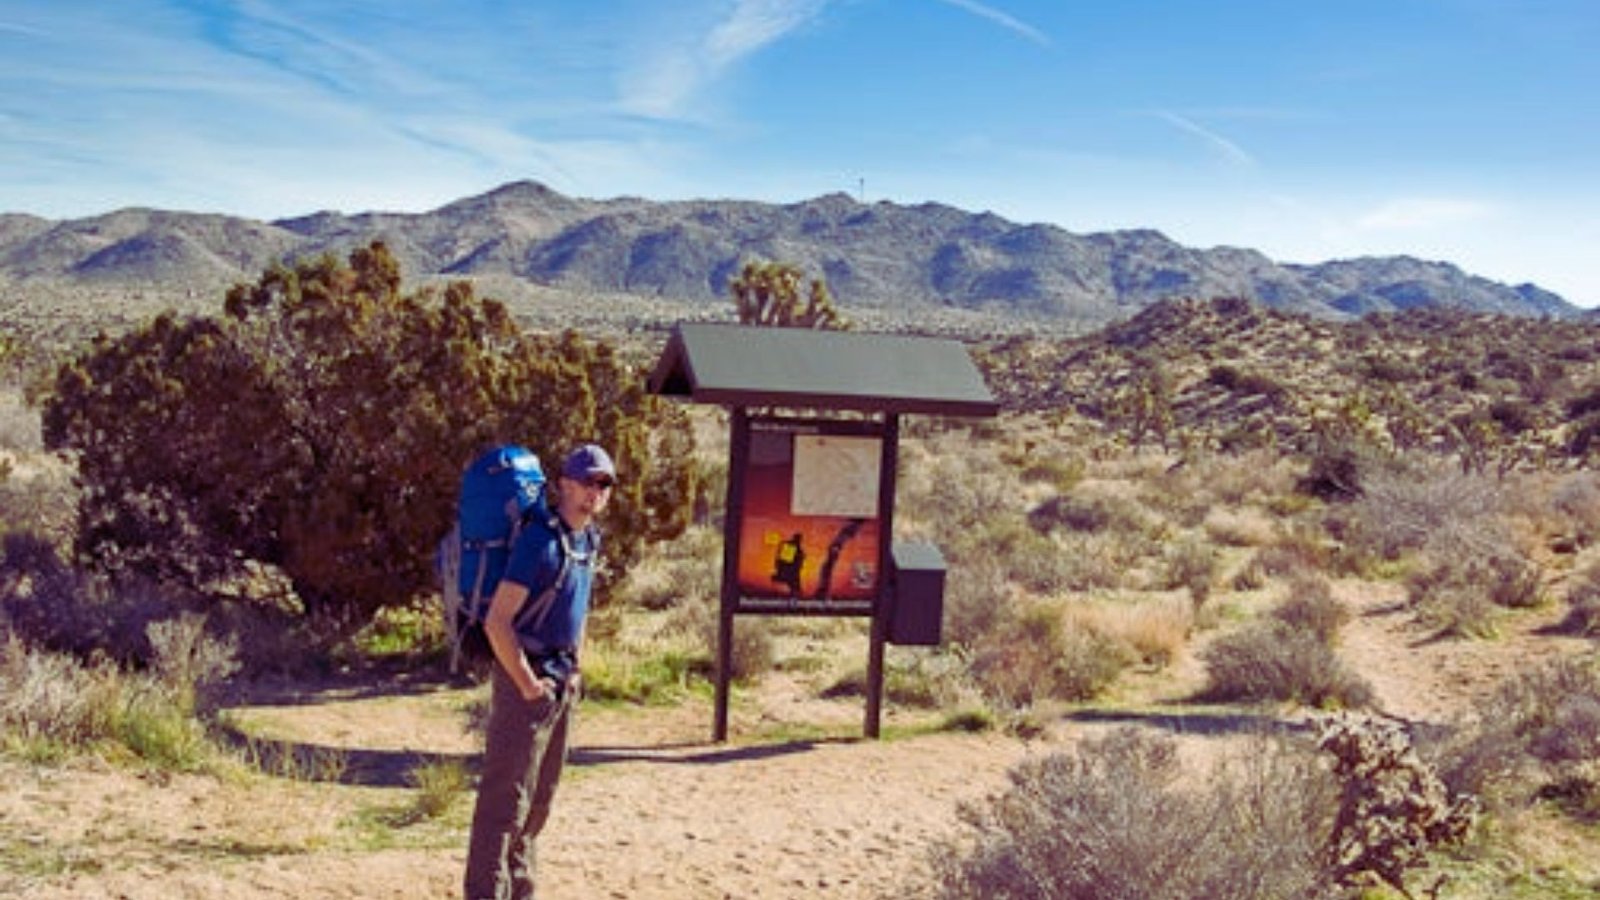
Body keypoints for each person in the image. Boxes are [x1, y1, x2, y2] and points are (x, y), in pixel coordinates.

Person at [463, 443, 615, 900]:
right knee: (503, 804)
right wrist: (528, 684)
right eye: (587, 482)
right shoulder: (539, 540)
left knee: (539, 802)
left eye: (604, 484)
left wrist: (576, 669)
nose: (594, 493)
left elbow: (580, 610)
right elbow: (497, 621)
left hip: (561, 682)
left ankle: (521, 890)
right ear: (563, 484)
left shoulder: (587, 540)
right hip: (524, 682)